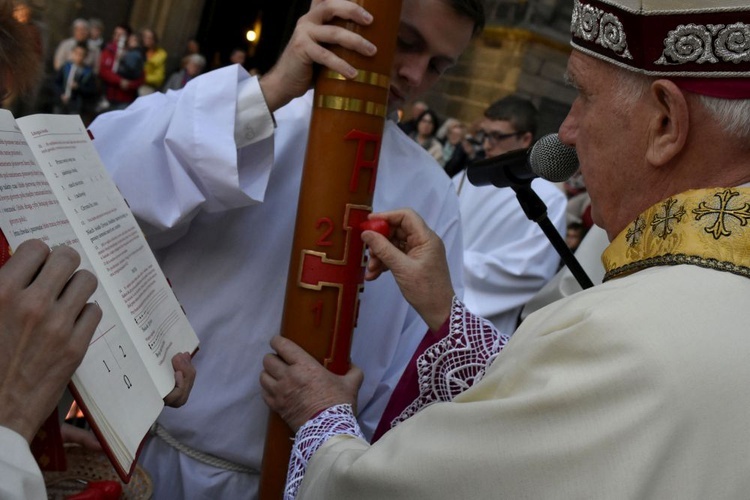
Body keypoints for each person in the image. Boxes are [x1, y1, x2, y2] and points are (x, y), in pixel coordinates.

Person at [261, 0, 750, 498]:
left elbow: (404, 489)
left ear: (666, 123)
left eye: (582, 95)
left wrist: (322, 423)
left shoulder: (625, 337)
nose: (567, 131)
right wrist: (446, 315)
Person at [87, 0, 483, 497]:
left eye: (438, 66)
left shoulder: (431, 190)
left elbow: (412, 362)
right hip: (153, 456)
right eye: (406, 42)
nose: (413, 74)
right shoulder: (246, 114)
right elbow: (108, 202)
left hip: (292, 481)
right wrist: (270, 93)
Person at [452, 95, 566, 334]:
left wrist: (447, 262)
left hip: (483, 325)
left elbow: (529, 271)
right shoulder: (464, 179)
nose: (487, 145)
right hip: (428, 305)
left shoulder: (549, 198)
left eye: (497, 136)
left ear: (525, 138)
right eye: (484, 135)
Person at [97, 23, 143, 111]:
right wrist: (119, 81)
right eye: (116, 34)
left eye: (121, 35)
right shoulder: (108, 50)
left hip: (126, 97)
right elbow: (103, 71)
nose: (117, 37)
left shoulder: (134, 54)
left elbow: (140, 76)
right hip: (107, 95)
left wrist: (130, 84)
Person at [53, 41, 96, 115]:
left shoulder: (88, 72)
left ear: (85, 56)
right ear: (73, 53)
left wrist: (78, 87)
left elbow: (91, 90)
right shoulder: (65, 67)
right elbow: (56, 83)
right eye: (76, 53)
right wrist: (60, 94)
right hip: (61, 102)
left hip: (76, 104)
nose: (78, 57)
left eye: (81, 55)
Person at [138, 28, 167, 95]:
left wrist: (143, 78)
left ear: (154, 40)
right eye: (144, 37)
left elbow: (159, 77)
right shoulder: (136, 51)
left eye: (149, 38)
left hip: (146, 86)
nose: (146, 40)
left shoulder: (160, 55)